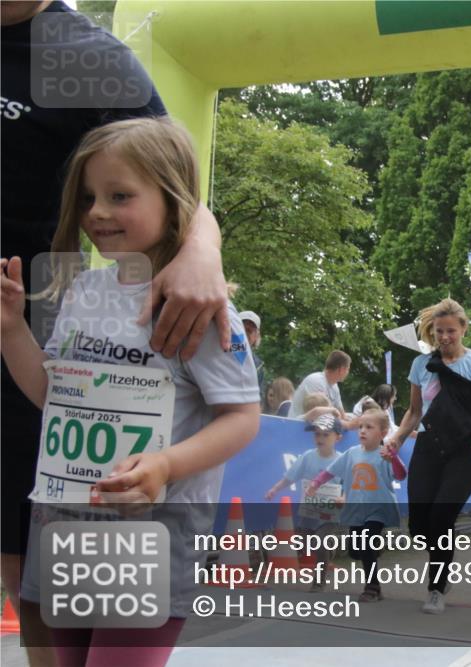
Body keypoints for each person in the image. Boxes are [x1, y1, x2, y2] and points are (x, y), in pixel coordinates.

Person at [2, 3, 233, 651]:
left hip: (39, 371)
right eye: (92, 199)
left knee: (38, 593)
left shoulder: (85, 57)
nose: (100, 211)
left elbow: (172, 177)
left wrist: (203, 259)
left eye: (114, 200)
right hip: (34, 342)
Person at [383, 298, 471, 614]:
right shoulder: (421, 365)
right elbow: (414, 412)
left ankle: (437, 588)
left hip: (466, 450)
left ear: (463, 329)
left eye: (451, 331)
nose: (444, 337)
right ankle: (444, 565)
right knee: (418, 526)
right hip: (428, 447)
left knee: (442, 517)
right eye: (439, 331)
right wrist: (397, 439)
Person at [308, 409, 406, 602]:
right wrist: (316, 483)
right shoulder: (351, 454)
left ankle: (372, 587)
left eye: (369, 427)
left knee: (367, 542)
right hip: (356, 509)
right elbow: (331, 470)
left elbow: (401, 475)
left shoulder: (385, 453)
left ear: (383, 433)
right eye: (360, 426)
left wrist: (393, 457)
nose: (362, 430)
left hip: (378, 508)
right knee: (355, 550)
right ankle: (374, 550)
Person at [265, 414, 344, 591]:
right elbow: (290, 476)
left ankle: (319, 581)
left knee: (321, 542)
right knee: (304, 541)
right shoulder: (308, 457)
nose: (320, 438)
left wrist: (344, 497)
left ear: (338, 437)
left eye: (326, 434)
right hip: (309, 511)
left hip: (331, 513)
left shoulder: (341, 460)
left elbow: (349, 483)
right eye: (317, 434)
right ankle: (327, 552)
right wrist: (275, 489)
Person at [289, 350, 351, 418]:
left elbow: (342, 415)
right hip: (296, 425)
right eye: (348, 369)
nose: (348, 372)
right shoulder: (316, 381)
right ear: (341, 369)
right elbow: (323, 416)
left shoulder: (334, 386)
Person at [239, 310, 265, 399]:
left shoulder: (258, 365)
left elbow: (258, 398)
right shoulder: (220, 353)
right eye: (241, 328)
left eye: (249, 331)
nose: (245, 333)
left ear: (256, 336)